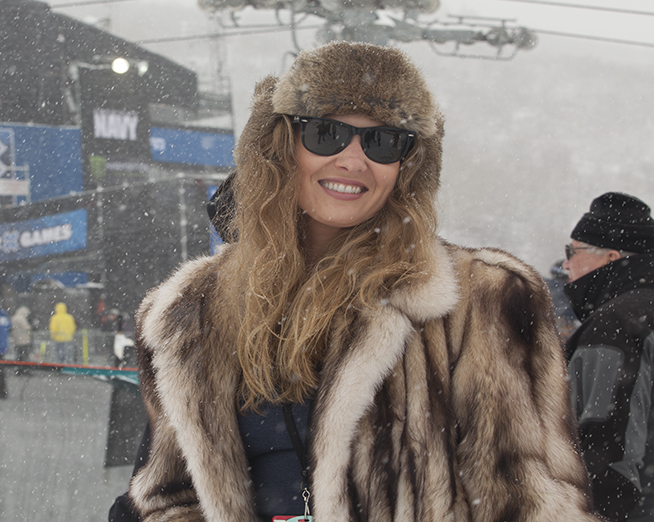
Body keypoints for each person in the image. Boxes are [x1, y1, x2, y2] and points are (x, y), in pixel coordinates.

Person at [112, 42, 599, 522]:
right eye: (326, 133)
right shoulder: (190, 311)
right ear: (282, 146)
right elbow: (167, 497)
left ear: (407, 166)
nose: (352, 160)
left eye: (383, 142)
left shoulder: (484, 299)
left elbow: (530, 505)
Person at [563, 192, 654, 521]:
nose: (566, 264)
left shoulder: (617, 325)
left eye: (572, 251)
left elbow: (606, 449)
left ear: (610, 257)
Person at [10, 305, 32, 371]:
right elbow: (27, 328)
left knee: (18, 355)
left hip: (16, 340)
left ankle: (18, 369)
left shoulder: (13, 318)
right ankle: (25, 369)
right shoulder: (22, 318)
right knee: (25, 356)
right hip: (24, 340)